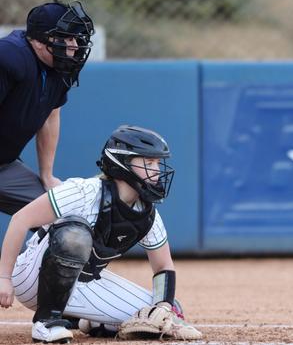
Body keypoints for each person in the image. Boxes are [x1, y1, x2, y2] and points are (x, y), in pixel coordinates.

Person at [0, 125, 202, 343]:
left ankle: (93, 322)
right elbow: (20, 219)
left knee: (161, 311)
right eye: (149, 162)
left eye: (158, 163)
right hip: (31, 278)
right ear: (122, 162)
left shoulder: (147, 214)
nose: (157, 170)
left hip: (82, 284)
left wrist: (163, 307)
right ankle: (46, 323)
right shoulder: (84, 191)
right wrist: (4, 278)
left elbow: (163, 266)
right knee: (74, 236)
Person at [0, 0, 94, 216]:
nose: (75, 45)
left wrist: (47, 175)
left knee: (65, 218)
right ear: (39, 41)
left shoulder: (59, 66)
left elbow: (51, 117)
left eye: (76, 38)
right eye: (67, 37)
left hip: (4, 166)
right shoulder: (10, 56)